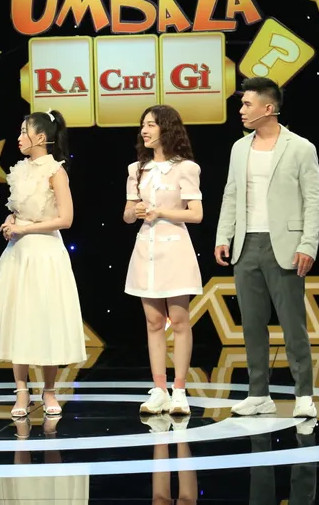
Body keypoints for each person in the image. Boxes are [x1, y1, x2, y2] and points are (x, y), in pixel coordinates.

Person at [214, 77, 319, 419]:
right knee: (252, 324)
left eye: (247, 104)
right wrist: (223, 236)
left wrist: (308, 243)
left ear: (269, 108)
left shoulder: (300, 147)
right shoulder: (239, 148)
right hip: (247, 245)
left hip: (286, 245)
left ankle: (303, 395)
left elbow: (314, 199)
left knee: (293, 325)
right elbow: (231, 193)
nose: (241, 110)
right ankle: (259, 394)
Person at [0, 110, 87, 418]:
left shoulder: (56, 171)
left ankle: (49, 390)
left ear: (40, 137)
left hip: (45, 253)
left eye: (23, 131)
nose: (18, 137)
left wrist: (25, 229)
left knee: (45, 318)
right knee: (19, 319)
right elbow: (19, 210)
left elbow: (66, 219)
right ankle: (21, 391)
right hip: (18, 253)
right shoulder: (19, 169)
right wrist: (10, 221)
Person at [123, 105, 204, 416]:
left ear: (167, 129)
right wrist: (134, 211)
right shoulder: (136, 169)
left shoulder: (185, 168)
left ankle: (179, 390)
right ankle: (159, 389)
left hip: (175, 250)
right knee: (153, 323)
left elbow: (196, 214)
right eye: (143, 125)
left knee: (179, 321)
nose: (145, 130)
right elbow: (127, 214)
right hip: (146, 250)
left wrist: (161, 212)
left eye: (152, 125)